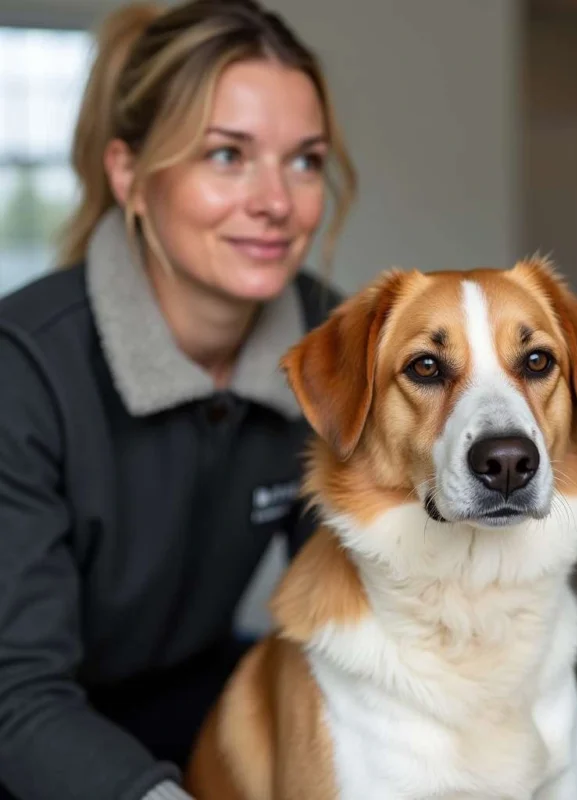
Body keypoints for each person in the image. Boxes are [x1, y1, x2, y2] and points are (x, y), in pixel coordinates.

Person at [0, 1, 356, 798]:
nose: (277, 201)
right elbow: (15, 698)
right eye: (228, 156)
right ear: (127, 172)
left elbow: (363, 599)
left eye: (304, 161)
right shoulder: (22, 370)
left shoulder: (329, 345)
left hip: (187, 696)